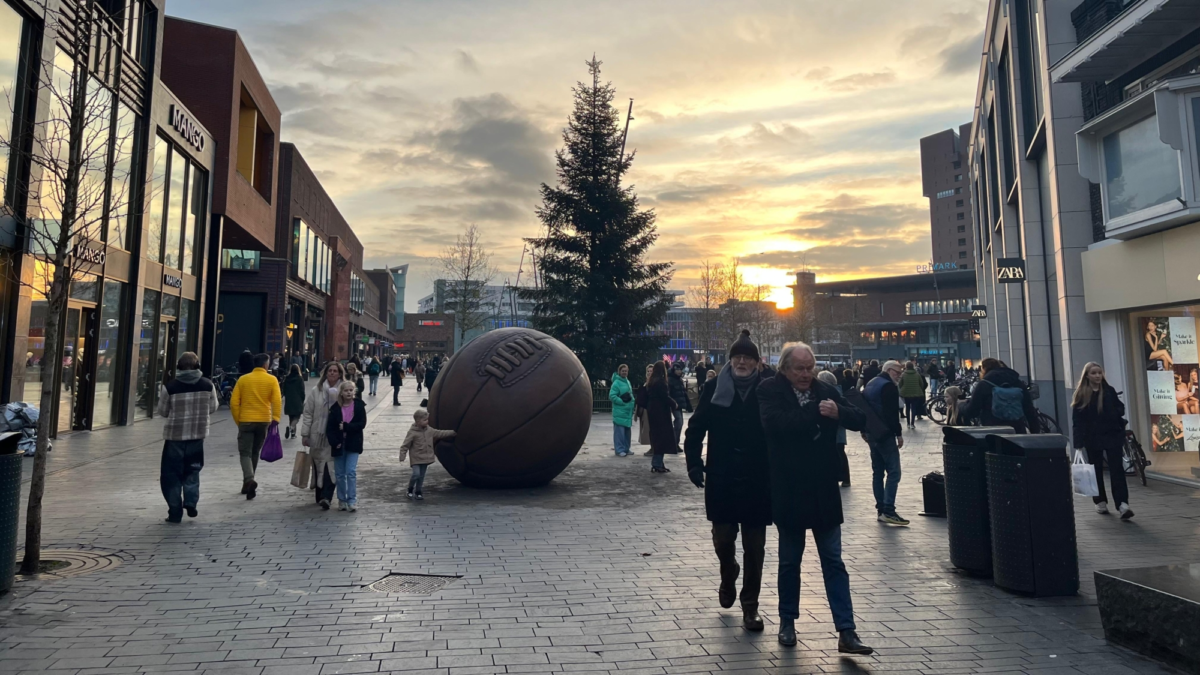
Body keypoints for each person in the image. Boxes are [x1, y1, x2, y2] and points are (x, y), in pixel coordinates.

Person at [757, 342, 872, 655]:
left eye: (810, 367)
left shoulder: (825, 389)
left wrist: (838, 412)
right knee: (790, 560)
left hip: (823, 488)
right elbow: (777, 425)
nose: (806, 374)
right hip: (789, 488)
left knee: (833, 560)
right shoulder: (770, 389)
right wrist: (816, 414)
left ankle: (847, 631)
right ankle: (787, 621)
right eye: (799, 369)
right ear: (785, 368)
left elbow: (860, 418)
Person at [684, 329, 771, 632]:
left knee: (755, 546)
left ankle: (750, 607)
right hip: (721, 476)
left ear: (757, 362)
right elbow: (695, 429)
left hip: (758, 478)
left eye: (748, 357)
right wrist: (694, 464)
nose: (742, 362)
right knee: (723, 540)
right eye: (738, 357)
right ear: (730, 360)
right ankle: (727, 570)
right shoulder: (713, 388)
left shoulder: (767, 389)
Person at [155, 352, 218, 523]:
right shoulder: (207, 385)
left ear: (178, 367)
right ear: (197, 366)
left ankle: (175, 511)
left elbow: (162, 411)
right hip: (197, 435)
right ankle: (191, 501)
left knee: (171, 474)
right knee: (192, 469)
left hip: (175, 436)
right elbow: (213, 407)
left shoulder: (170, 387)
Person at [1071, 363, 1133, 519]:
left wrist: (1114, 413)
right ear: (1087, 375)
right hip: (1093, 437)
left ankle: (1122, 504)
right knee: (1096, 470)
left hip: (1112, 435)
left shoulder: (1109, 391)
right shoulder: (1081, 395)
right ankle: (1100, 502)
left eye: (1099, 373)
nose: (1097, 376)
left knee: (1117, 470)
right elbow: (1077, 420)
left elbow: (1120, 408)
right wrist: (1078, 443)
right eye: (1094, 373)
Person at [859, 360, 907, 525]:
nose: (899, 375)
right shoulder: (888, 386)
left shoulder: (871, 383)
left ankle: (880, 509)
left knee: (878, 472)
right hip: (885, 434)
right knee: (894, 472)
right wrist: (898, 434)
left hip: (872, 433)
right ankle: (888, 509)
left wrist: (863, 430)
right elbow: (892, 413)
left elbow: (863, 408)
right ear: (888, 370)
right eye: (897, 372)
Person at [229, 353, 282, 500]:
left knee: (245, 452)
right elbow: (277, 400)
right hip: (264, 420)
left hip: (246, 420)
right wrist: (275, 418)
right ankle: (249, 481)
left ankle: (249, 479)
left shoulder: (243, 379)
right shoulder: (272, 380)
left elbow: (234, 403)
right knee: (254, 452)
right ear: (266, 365)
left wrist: (238, 420)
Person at [302, 362, 345, 509]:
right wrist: (305, 433)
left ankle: (327, 496)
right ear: (325, 373)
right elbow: (308, 412)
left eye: (335, 371)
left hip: (335, 434)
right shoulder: (316, 390)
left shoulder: (345, 390)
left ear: (340, 374)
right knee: (318, 463)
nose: (332, 373)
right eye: (330, 371)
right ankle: (319, 495)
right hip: (318, 433)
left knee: (330, 465)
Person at [956, 358, 1041, 433]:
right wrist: (1035, 431)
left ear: (984, 369)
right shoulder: (1017, 383)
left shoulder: (984, 384)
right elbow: (1029, 410)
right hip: (1017, 431)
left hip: (993, 432)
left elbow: (972, 411)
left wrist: (961, 406)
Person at [325, 380, 367, 512]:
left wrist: (347, 427)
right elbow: (330, 428)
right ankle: (342, 500)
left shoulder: (359, 406)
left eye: (351, 390)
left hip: (353, 444)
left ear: (354, 392)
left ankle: (352, 500)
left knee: (351, 472)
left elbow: (362, 424)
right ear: (341, 393)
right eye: (346, 390)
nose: (348, 393)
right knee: (340, 474)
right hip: (339, 444)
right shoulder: (335, 408)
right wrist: (334, 441)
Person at [399, 408, 456, 500]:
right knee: (416, 474)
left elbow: (440, 433)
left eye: (427, 420)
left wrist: (453, 432)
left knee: (421, 476)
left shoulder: (429, 430)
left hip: (425, 458)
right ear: (418, 421)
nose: (427, 422)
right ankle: (410, 489)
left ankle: (418, 491)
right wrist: (402, 455)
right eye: (424, 420)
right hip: (416, 458)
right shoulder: (412, 433)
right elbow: (405, 445)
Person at [638, 361, 679, 473]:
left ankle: (659, 463)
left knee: (657, 437)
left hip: (652, 411)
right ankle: (657, 463)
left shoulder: (651, 382)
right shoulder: (661, 382)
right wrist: (674, 403)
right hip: (661, 412)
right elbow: (665, 397)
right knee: (662, 438)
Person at [818, 370, 851, 487]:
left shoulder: (831, 393)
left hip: (835, 429)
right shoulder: (839, 391)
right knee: (840, 452)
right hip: (840, 429)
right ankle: (844, 477)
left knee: (838, 453)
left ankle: (841, 476)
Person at [609, 365, 635, 457]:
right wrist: (622, 402)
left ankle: (626, 449)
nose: (624, 372)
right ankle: (619, 450)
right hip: (620, 411)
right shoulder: (616, 383)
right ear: (619, 371)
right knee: (619, 432)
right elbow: (612, 396)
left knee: (627, 432)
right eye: (623, 371)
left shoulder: (627, 381)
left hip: (627, 412)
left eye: (626, 371)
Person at [668, 362, 693, 443]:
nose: (679, 371)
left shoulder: (679, 380)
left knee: (680, 423)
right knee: (678, 422)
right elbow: (668, 394)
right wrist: (672, 404)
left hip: (679, 405)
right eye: (677, 370)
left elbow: (684, 394)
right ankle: (674, 442)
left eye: (680, 370)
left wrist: (688, 406)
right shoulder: (670, 380)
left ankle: (676, 442)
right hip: (674, 405)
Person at [897, 361, 927, 429]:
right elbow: (921, 384)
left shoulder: (903, 374)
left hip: (906, 393)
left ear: (906, 366)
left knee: (907, 408)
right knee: (913, 408)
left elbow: (900, 384)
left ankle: (908, 423)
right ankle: (912, 423)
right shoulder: (917, 374)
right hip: (916, 393)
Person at [282, 364, 306, 439]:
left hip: (289, 400)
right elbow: (302, 391)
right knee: (297, 417)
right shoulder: (300, 379)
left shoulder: (287, 378)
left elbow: (284, 389)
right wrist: (302, 399)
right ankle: (291, 428)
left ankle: (293, 434)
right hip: (297, 400)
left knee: (291, 417)